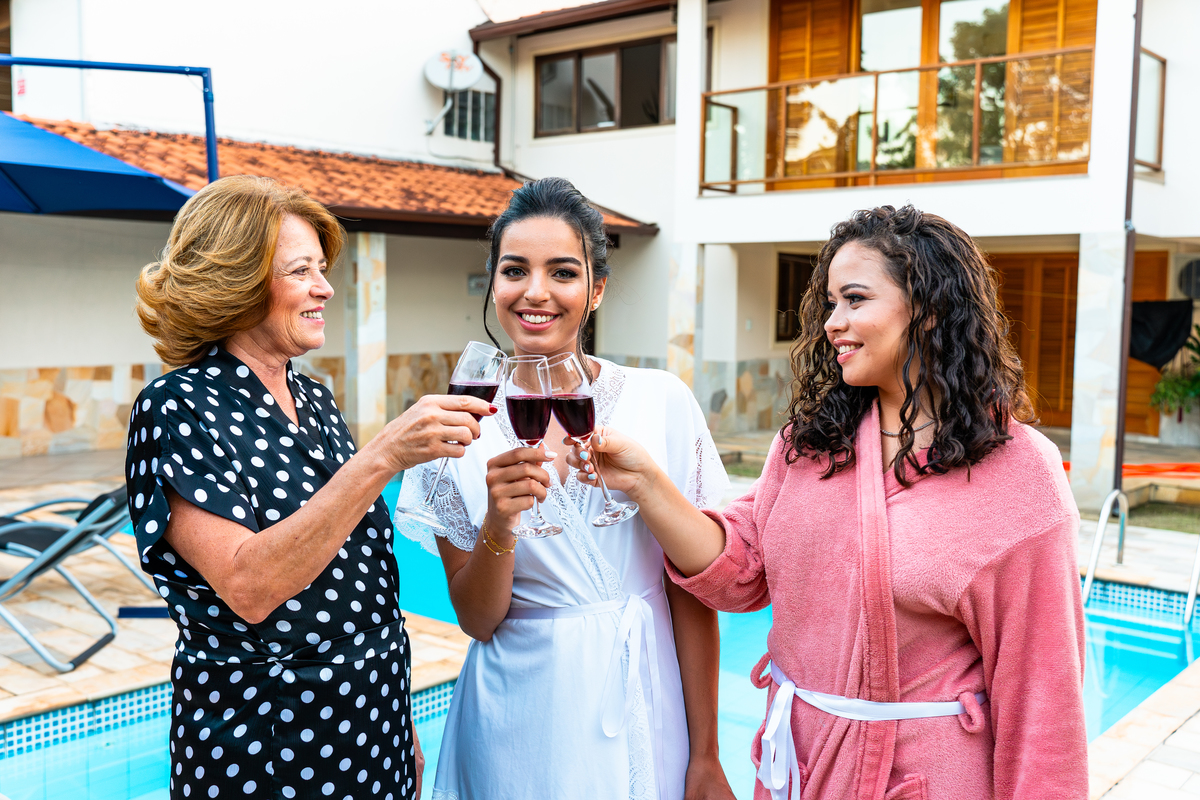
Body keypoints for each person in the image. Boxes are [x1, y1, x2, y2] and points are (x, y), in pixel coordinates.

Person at [570, 206, 1088, 799]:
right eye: (830, 304)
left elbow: (1044, 706)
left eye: (855, 300)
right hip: (802, 767)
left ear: (929, 307)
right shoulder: (813, 444)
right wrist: (645, 482)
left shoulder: (1017, 474)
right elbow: (740, 572)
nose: (832, 323)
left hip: (925, 778)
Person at [126, 175, 494, 800]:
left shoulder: (314, 398)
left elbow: (361, 582)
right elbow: (249, 585)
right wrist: (383, 456)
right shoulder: (178, 406)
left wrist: (397, 719)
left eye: (322, 269)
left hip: (370, 726)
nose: (325, 288)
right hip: (266, 742)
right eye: (301, 271)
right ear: (238, 283)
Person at [395, 177, 736, 800]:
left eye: (563, 272)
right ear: (493, 282)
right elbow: (477, 619)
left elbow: (696, 589)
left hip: (646, 692)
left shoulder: (659, 401)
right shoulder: (451, 429)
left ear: (596, 288)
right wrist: (499, 525)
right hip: (516, 719)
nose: (535, 292)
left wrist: (707, 752)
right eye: (514, 270)